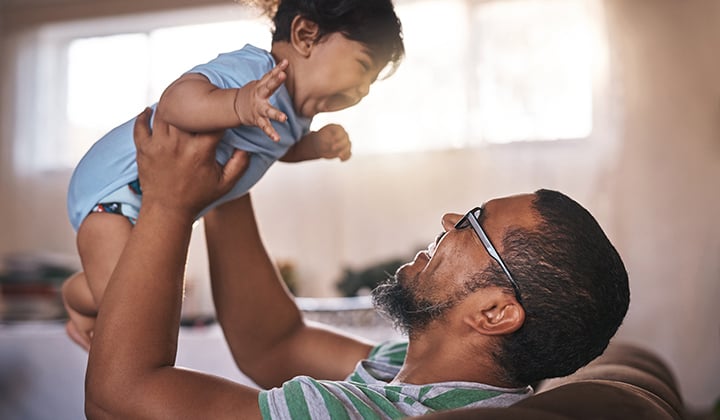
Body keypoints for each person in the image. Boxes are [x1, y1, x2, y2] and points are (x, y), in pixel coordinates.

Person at [85, 109, 630, 419]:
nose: (447, 221)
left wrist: (167, 202)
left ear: (493, 312)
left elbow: (117, 396)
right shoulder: (429, 381)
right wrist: (228, 181)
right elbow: (274, 343)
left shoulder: (369, 415)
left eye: (473, 223)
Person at [62, 0, 405, 349]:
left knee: (151, 302)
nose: (364, 90)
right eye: (363, 67)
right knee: (128, 307)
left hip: (151, 207)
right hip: (116, 192)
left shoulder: (297, 118)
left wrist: (314, 147)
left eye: (372, 82)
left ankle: (89, 293)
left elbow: (275, 148)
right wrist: (239, 102)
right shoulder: (255, 73)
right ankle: (76, 295)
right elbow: (174, 102)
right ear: (305, 36)